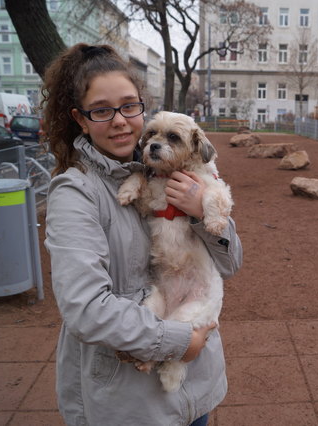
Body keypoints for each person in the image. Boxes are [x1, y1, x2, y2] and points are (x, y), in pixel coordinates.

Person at [41, 43, 242, 426]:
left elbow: (231, 263)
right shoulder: (76, 193)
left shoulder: (175, 177)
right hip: (130, 402)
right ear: (81, 119)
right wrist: (182, 342)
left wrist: (201, 212)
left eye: (129, 106)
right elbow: (85, 309)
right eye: (102, 110)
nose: (119, 121)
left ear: (141, 109)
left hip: (195, 388)